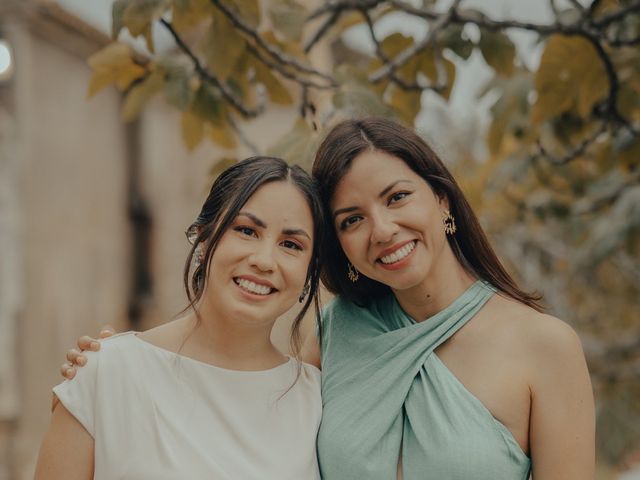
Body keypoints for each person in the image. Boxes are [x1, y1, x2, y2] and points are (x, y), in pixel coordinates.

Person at [61, 118, 595, 479]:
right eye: (351, 220)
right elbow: (245, 415)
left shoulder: (544, 347)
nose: (382, 229)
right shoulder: (337, 333)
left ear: (442, 199)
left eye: (398, 197)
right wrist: (118, 367)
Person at [35, 156, 325, 480]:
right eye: (246, 230)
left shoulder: (317, 401)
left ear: (310, 273)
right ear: (204, 237)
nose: (264, 260)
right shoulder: (106, 374)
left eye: (291, 244)